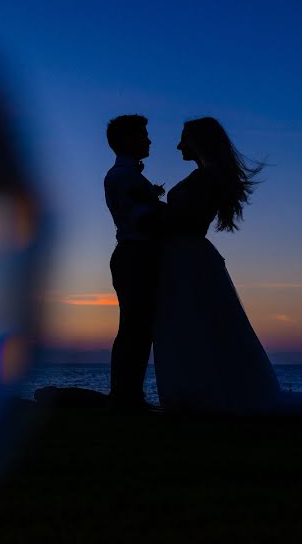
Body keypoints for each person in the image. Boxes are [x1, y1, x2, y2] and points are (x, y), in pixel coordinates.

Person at [152, 117, 280, 413]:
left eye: (184, 138)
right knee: (194, 323)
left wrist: (154, 213)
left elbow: (189, 220)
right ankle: (197, 390)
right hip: (185, 255)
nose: (178, 145)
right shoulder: (208, 176)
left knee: (194, 321)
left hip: (188, 256)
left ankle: (200, 393)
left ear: (199, 142)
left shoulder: (207, 178)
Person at [103, 115, 166, 410]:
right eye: (143, 135)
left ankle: (128, 393)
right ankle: (126, 395)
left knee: (139, 327)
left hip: (135, 253)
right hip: (134, 254)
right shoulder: (123, 177)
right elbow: (141, 217)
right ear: (127, 140)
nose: (149, 140)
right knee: (134, 327)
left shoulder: (127, 176)